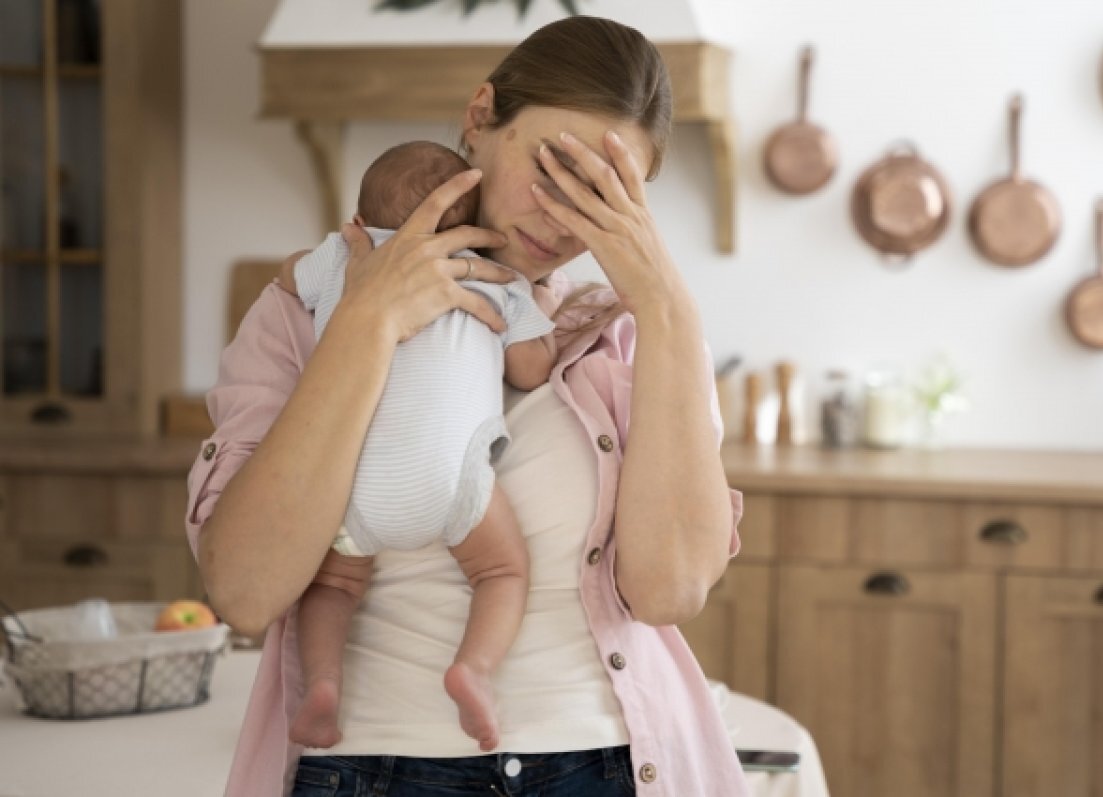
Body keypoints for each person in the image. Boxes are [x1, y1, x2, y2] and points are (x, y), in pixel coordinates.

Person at [186, 15, 749, 796]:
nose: (561, 220)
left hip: (607, 765)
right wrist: (367, 322)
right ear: (480, 118)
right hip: (368, 768)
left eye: (604, 197)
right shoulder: (304, 310)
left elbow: (669, 589)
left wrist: (666, 305)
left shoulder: (622, 337)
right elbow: (245, 590)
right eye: (553, 173)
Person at [278, 140, 560, 752]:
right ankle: (473, 669)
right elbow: (534, 370)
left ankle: (321, 687)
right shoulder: (495, 277)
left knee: (331, 587)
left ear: (358, 224)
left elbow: (284, 279)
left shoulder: (342, 258)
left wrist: (331, 254)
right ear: (479, 229)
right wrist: (536, 309)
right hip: (451, 479)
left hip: (350, 481)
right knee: (502, 571)